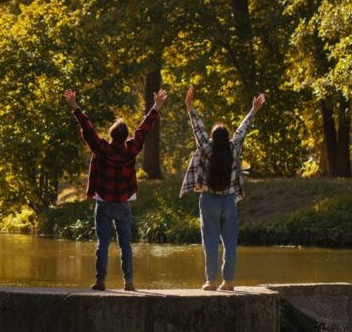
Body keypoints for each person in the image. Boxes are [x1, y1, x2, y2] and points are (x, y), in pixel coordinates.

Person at [63, 88, 168, 292]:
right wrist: (156, 106)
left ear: (111, 135)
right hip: (123, 202)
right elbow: (144, 129)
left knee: (102, 244)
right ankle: (128, 281)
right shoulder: (132, 148)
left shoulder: (102, 149)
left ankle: (100, 281)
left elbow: (88, 129)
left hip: (104, 202)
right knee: (125, 245)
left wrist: (75, 106)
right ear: (125, 136)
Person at [181, 86, 266, 292]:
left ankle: (210, 281)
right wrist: (253, 110)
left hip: (208, 199)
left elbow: (198, 129)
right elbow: (241, 131)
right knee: (230, 242)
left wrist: (189, 106)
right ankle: (228, 282)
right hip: (229, 201)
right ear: (226, 137)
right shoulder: (234, 148)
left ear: (213, 137)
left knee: (209, 240)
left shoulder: (207, 148)